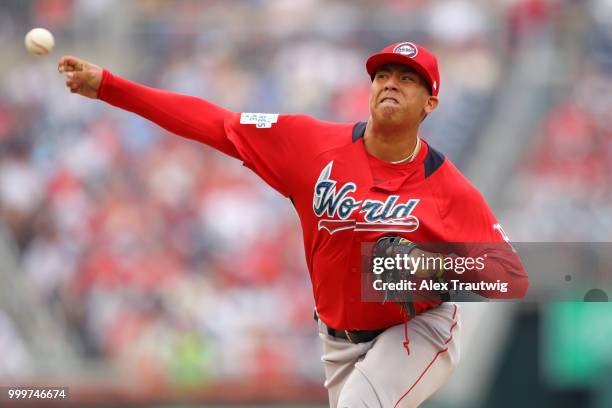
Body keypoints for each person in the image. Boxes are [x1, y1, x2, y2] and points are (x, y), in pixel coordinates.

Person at [58, 41, 529, 407]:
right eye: (383, 74)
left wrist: (433, 269)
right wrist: (109, 87)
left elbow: (511, 276)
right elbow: (214, 123)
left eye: (408, 78)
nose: (391, 82)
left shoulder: (449, 188)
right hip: (339, 340)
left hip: (420, 325)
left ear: (430, 104)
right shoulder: (310, 145)